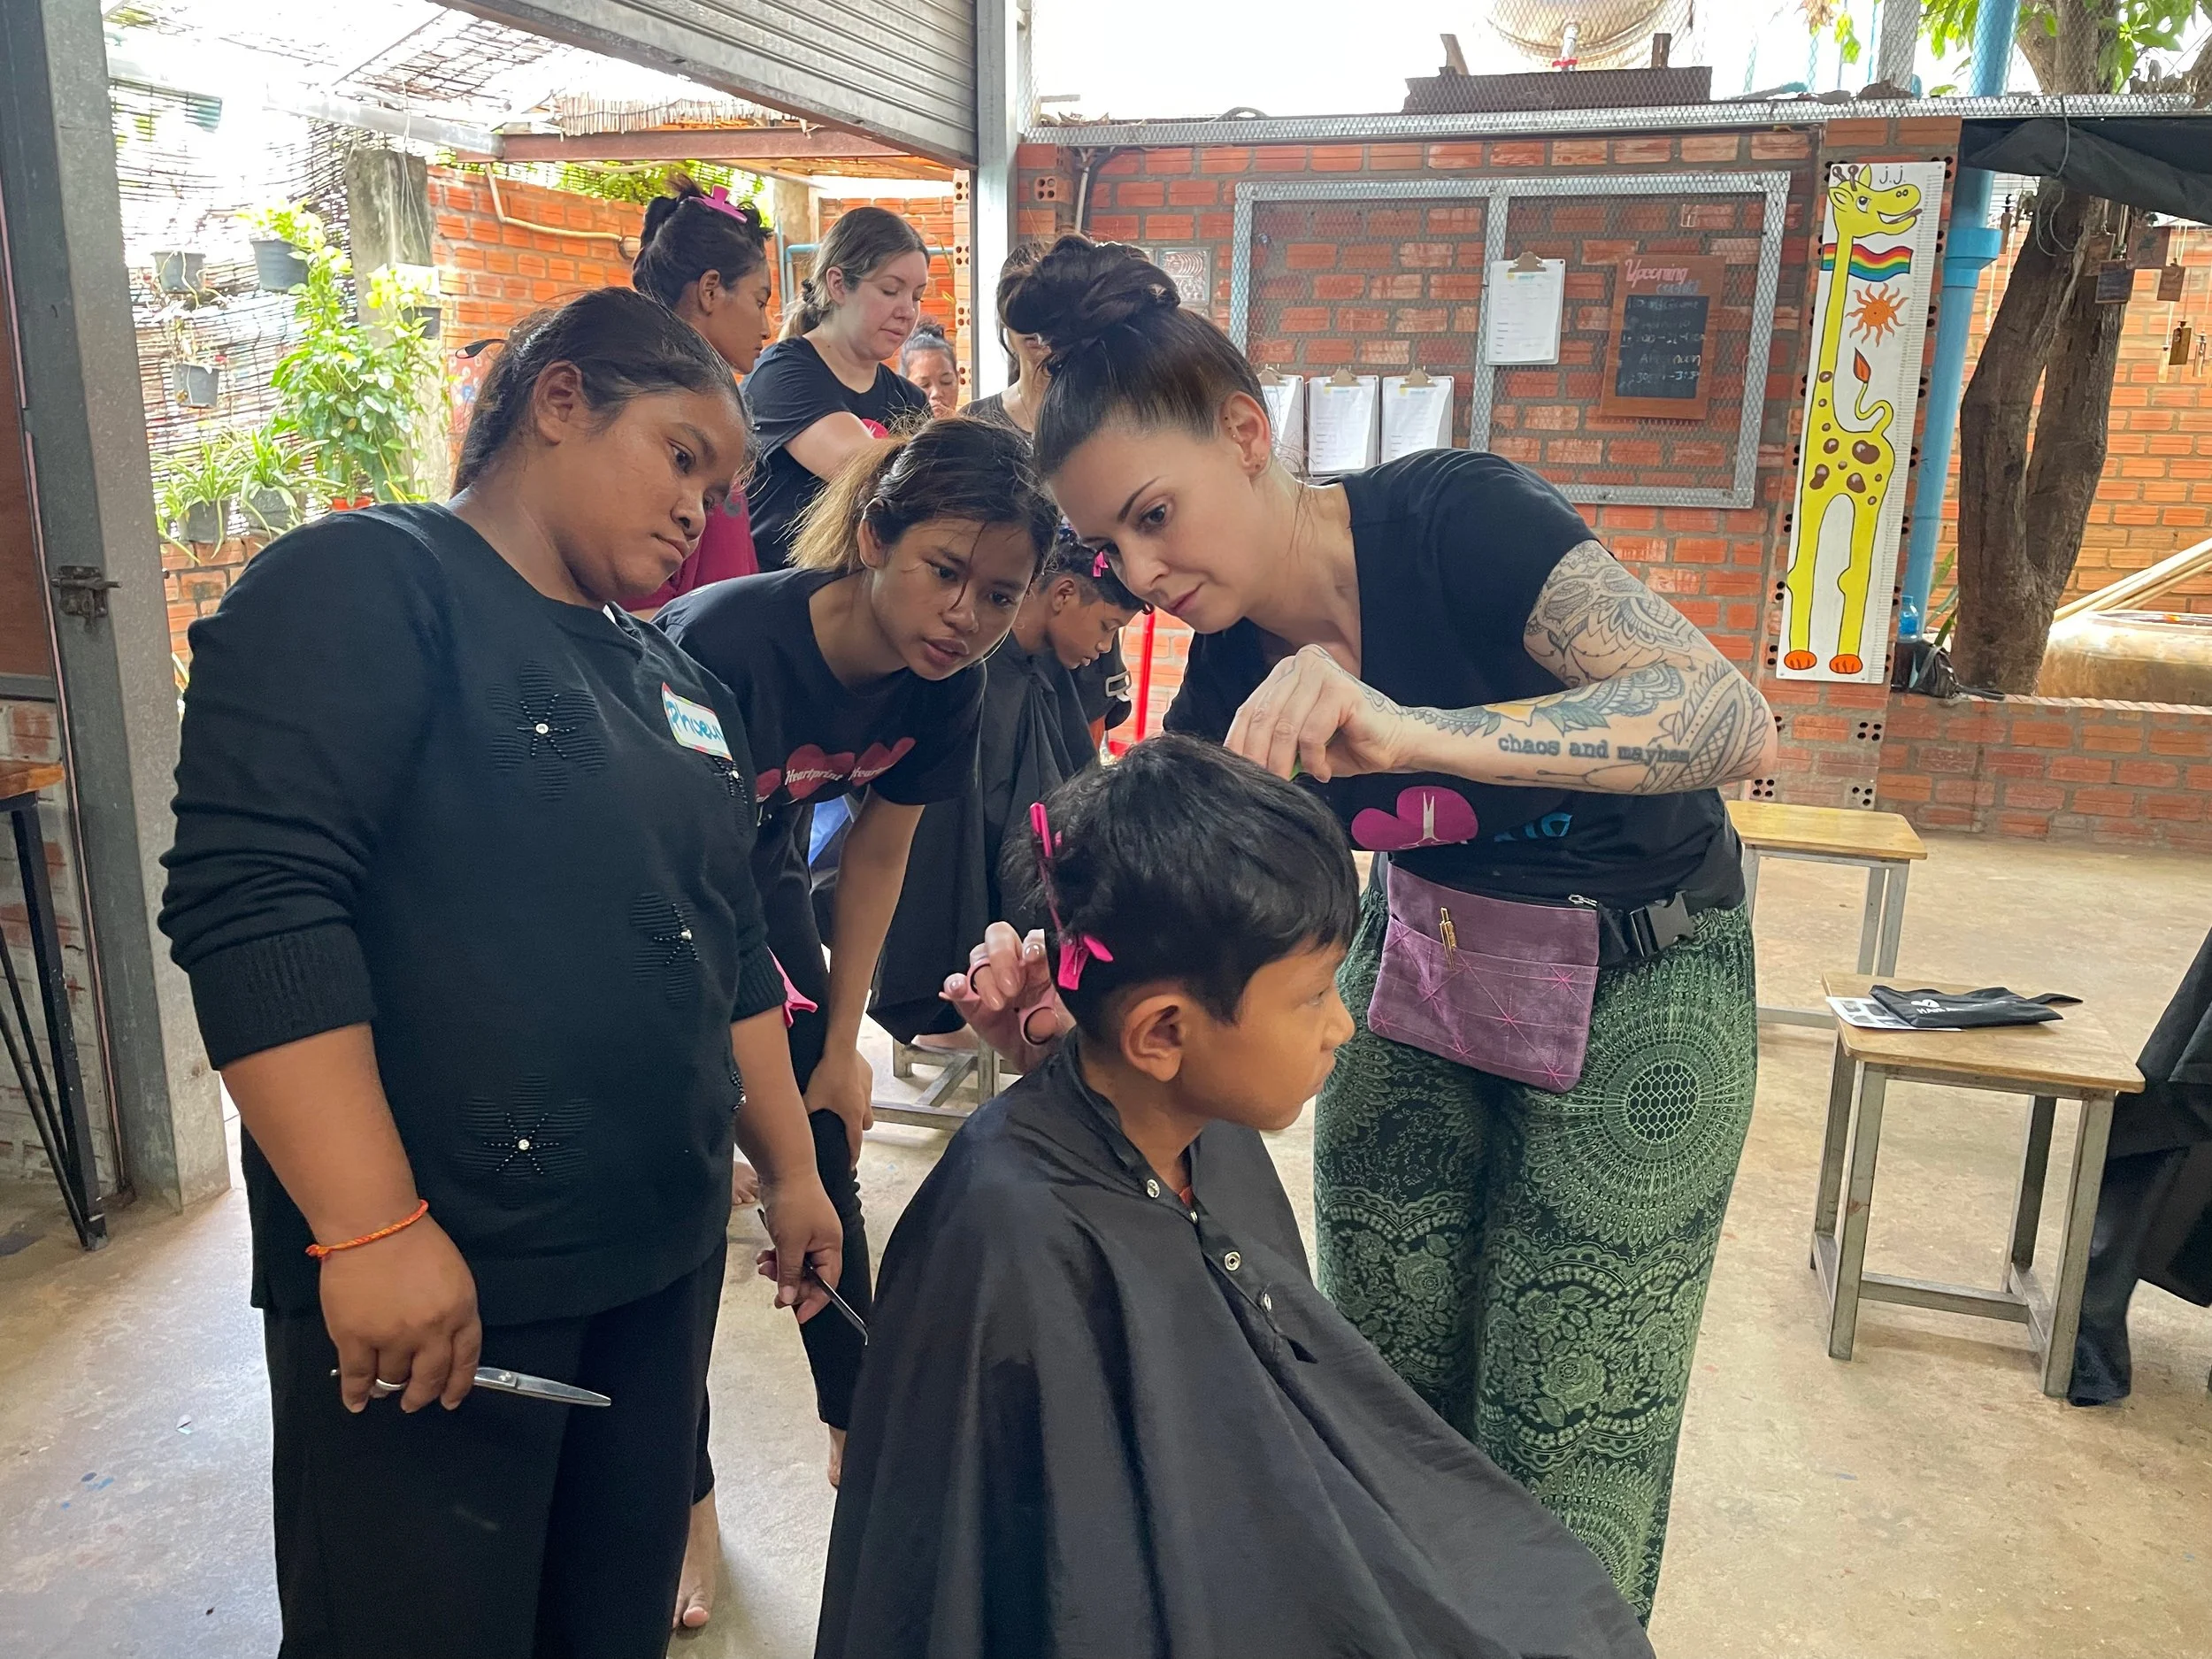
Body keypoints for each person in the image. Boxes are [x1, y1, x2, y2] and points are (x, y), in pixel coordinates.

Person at [987, 234, 1780, 1619]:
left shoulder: (1457, 521)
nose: (1140, 568)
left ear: (1248, 434)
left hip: (1644, 987)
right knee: (1380, 1397)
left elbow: (1731, 716)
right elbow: (1170, 911)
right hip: (1420, 971)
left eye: (1158, 514)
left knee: (1569, 1432)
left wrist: (1416, 729)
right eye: (1109, 542)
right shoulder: (1228, 670)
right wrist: (1064, 993)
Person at [157, 288, 845, 1659]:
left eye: (718, 483)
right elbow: (258, 900)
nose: (698, 512)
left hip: (654, 1260)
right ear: (561, 399)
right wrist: (365, 1226)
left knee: (603, 1620)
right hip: (442, 1276)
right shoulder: (365, 580)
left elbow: (727, 945)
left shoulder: (675, 679)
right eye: (679, 454)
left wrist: (798, 1164)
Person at [819, 736, 1655, 1659]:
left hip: (1269, 1537)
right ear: (1164, 1030)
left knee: (1555, 1606)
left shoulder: (1191, 1122)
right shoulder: (1012, 1238)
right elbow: (1062, 1588)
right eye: (1308, 999)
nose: (1340, 1024)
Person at [656, 416, 1058, 1618]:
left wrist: (838, 1049)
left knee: (823, 1157)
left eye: (999, 593)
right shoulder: (726, 642)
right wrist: (744, 1111)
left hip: (762, 883)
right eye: (943, 572)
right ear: (874, 533)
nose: (965, 616)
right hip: (651, 906)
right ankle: (689, 1498)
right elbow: (687, 896)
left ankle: (861, 1426)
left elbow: (876, 856)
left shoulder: (952, 684)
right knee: (681, 1204)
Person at [872, 527, 1146, 1045]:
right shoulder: (969, 674)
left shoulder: (1039, 674)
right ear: (1063, 594)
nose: (1104, 648)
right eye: (1108, 628)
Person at [968, 243, 1134, 738]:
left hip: (1084, 615)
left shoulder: (1108, 422)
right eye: (1027, 317)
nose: (1040, 334)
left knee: (1079, 767)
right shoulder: (980, 422)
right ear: (1005, 324)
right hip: (1002, 637)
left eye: (1052, 317)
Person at [742, 204, 933, 570]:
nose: (907, 310)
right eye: (891, 290)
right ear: (838, 284)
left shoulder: (910, 400)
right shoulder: (783, 374)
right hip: (781, 601)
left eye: (916, 296)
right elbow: (867, 471)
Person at [626, 173, 776, 605]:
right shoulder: (651, 403)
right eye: (759, 301)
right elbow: (638, 605)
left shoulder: (717, 402)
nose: (766, 327)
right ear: (711, 290)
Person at [899, 316, 963, 417]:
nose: (937, 393)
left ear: (958, 379)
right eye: (924, 385)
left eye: (946, 382)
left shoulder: (974, 430)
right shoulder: (888, 431)